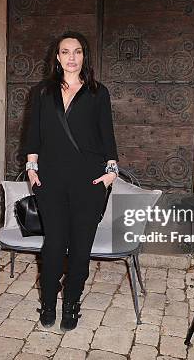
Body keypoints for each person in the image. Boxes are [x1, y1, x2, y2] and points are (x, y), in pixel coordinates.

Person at [22, 31, 119, 332]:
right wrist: (31, 167)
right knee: (53, 245)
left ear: (84, 56)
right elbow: (33, 133)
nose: (72, 57)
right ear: (58, 57)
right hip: (50, 179)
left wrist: (112, 170)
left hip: (89, 180)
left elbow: (107, 134)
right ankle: (49, 300)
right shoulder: (41, 92)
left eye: (77, 51)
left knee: (80, 248)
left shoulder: (97, 92)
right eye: (66, 52)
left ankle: (72, 302)